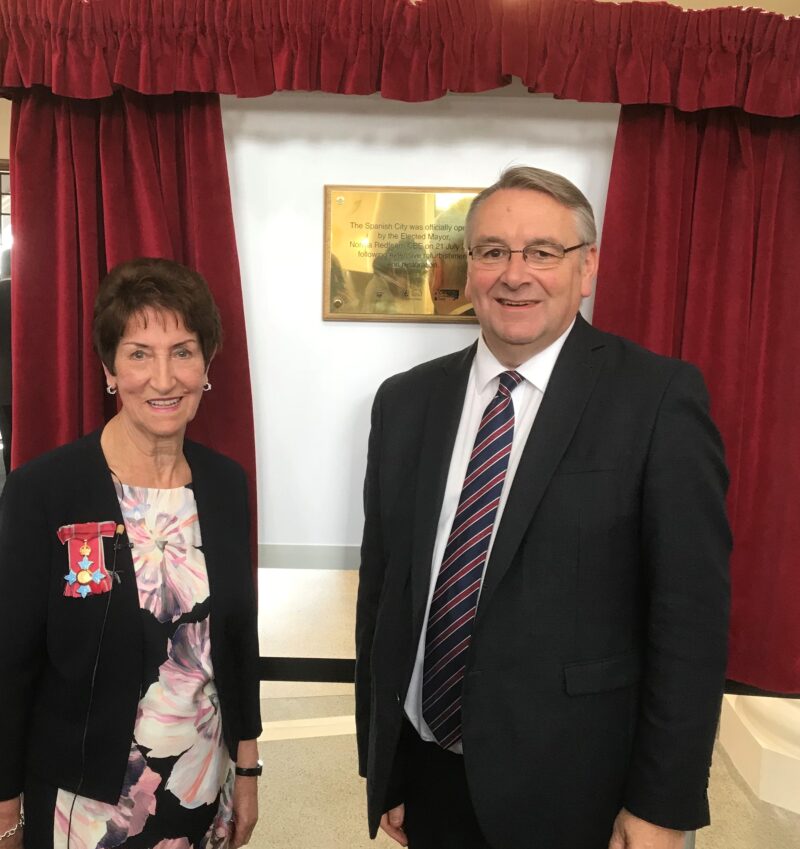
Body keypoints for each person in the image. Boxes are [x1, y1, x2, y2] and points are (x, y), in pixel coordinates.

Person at [355, 167, 731, 849]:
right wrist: (385, 765)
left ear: (586, 267)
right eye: (492, 250)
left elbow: (691, 623)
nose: (513, 273)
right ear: (468, 268)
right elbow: (383, 595)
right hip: (431, 768)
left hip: (577, 786)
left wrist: (664, 804)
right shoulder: (405, 402)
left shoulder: (657, 400)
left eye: (542, 252)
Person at [0, 258, 262, 849]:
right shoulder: (45, 490)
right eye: (140, 353)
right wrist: (4, 807)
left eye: (183, 351)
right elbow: (9, 664)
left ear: (207, 364)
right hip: (84, 807)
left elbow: (238, 643)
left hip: (200, 786)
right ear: (109, 369)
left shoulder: (224, 484)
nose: (163, 378)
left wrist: (246, 770)